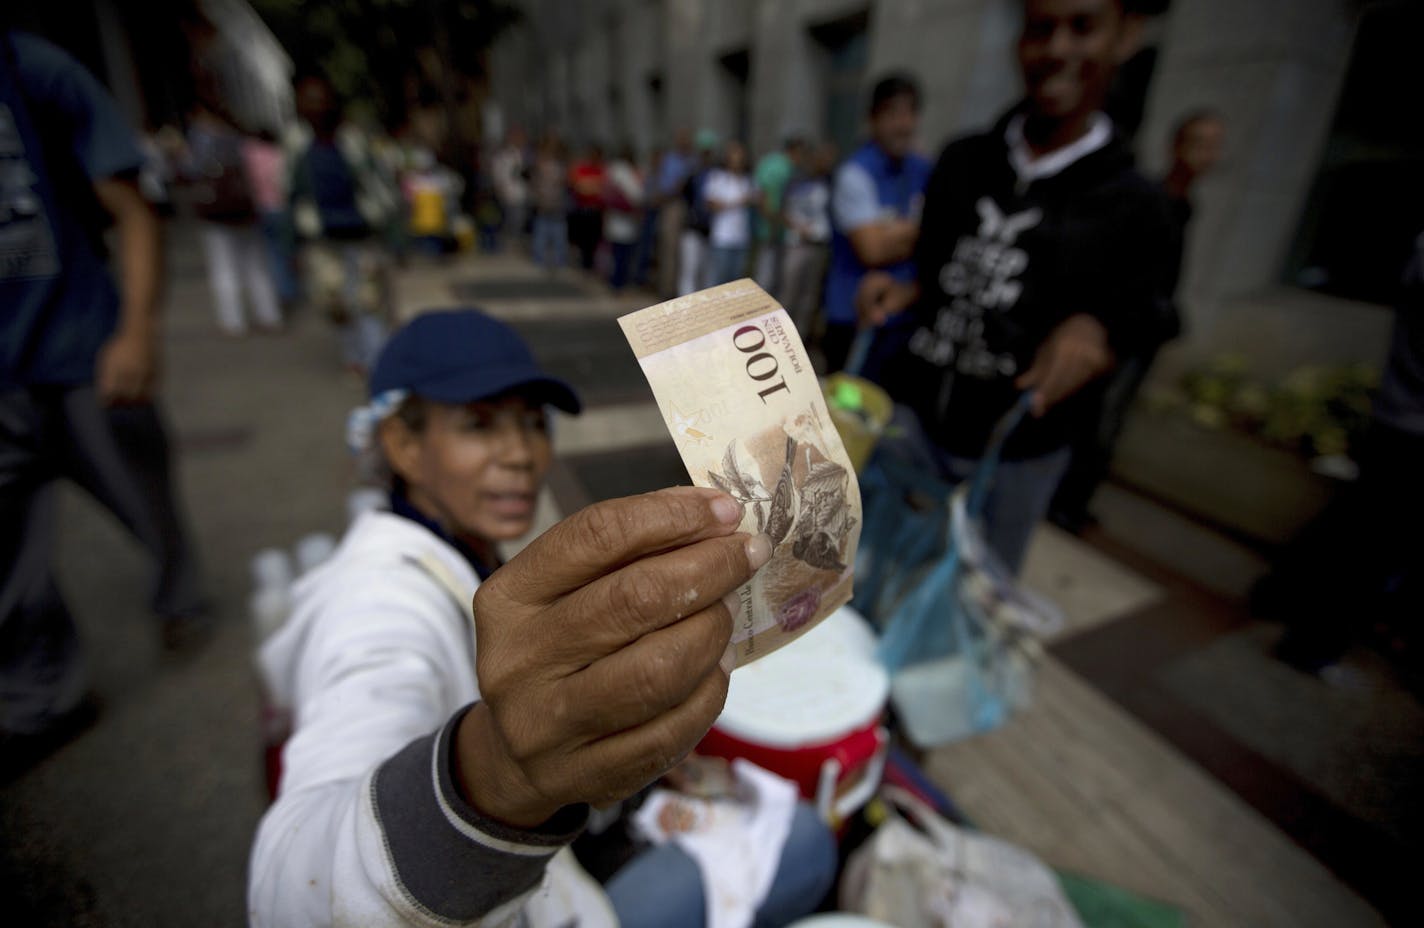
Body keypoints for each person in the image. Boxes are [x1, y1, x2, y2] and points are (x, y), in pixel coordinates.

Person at [249, 309, 836, 926]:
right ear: (402, 444)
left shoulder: (462, 544)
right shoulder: (377, 601)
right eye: (479, 424)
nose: (522, 454)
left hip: (555, 869)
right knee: (803, 839)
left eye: (533, 423)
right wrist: (495, 776)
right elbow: (292, 888)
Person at [857, 0, 1175, 573]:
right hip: (916, 419)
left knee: (969, 604)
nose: (1058, 50)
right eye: (1040, 29)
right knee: (867, 566)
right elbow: (933, 271)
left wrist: (1096, 329)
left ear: (1124, 35)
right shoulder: (961, 161)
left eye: (1082, 27)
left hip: (1018, 449)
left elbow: (1150, 312)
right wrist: (906, 292)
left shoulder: (1140, 205)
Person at [1, 30, 208, 762]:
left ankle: (181, 597)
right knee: (11, 557)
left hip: (81, 346)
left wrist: (136, 331)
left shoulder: (34, 71)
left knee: (142, 490)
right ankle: (40, 702)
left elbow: (131, 208)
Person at [1049, 108, 1225, 533]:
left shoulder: (1183, 205)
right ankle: (1065, 501)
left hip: (1138, 337)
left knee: (1108, 421)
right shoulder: (1151, 201)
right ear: (1176, 147)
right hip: (1120, 335)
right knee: (1096, 421)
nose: (1207, 155)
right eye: (1198, 143)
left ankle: (1074, 499)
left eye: (1214, 146)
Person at [1259, 232, 1424, 683]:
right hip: (1409, 427)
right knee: (1370, 546)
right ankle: (1310, 642)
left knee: (1355, 529)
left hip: (1399, 420)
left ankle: (1280, 597)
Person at [287, 73, 400, 374]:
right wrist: (291, 244)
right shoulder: (296, 146)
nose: (317, 106)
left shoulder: (354, 143)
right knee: (333, 301)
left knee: (369, 300)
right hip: (321, 238)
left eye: (321, 99)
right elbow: (287, 194)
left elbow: (380, 185)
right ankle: (354, 352)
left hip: (361, 233)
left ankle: (377, 361)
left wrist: (392, 231)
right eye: (309, 100)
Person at [823, 73, 932, 372]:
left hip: (903, 317)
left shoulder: (923, 169)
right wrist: (923, 231)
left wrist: (897, 232)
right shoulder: (855, 173)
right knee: (846, 406)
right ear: (873, 119)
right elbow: (872, 249)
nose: (903, 124)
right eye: (893, 113)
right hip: (853, 318)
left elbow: (946, 231)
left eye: (910, 112)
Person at [185, 107, 283, 336]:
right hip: (244, 209)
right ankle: (269, 314)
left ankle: (233, 321)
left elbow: (191, 170)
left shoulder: (203, 143)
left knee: (223, 266)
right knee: (256, 265)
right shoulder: (240, 142)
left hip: (217, 212)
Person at [780, 141, 837, 342]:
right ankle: (781, 336)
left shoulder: (831, 181)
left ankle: (800, 339)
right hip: (797, 243)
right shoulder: (796, 181)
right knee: (789, 291)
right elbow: (782, 209)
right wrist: (797, 227)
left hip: (819, 244)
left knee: (809, 297)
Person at [243, 129, 300, 306]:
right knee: (287, 250)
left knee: (272, 253)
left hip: (262, 208)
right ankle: (290, 289)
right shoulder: (279, 155)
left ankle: (283, 291)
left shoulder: (249, 154)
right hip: (282, 208)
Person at [752, 135, 807, 299]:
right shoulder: (782, 168)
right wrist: (782, 223)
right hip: (771, 230)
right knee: (765, 282)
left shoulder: (772, 163)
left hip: (773, 230)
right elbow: (766, 200)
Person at [705, 140, 756, 287]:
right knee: (718, 281)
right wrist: (739, 201)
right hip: (723, 237)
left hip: (741, 238)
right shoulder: (718, 178)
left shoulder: (748, 180)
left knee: (736, 282)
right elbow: (712, 205)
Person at [656, 128, 698, 297]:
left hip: (691, 208)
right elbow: (665, 187)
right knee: (670, 250)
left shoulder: (693, 161)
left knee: (688, 252)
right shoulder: (670, 160)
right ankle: (667, 290)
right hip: (673, 205)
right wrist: (679, 186)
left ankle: (683, 289)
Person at [678, 131, 721, 295]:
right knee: (690, 269)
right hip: (693, 227)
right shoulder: (692, 172)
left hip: (711, 229)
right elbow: (685, 197)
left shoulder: (717, 173)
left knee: (706, 272)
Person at [603, 143, 645, 291]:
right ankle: (617, 283)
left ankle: (618, 281)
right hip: (620, 217)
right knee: (620, 254)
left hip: (626, 220)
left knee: (622, 253)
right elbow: (635, 195)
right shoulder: (620, 170)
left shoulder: (628, 170)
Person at [530, 132, 569, 272]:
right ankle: (539, 259)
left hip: (557, 203)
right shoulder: (540, 163)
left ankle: (559, 260)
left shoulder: (561, 163)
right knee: (542, 232)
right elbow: (535, 183)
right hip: (544, 202)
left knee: (558, 233)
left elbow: (564, 182)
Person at [490, 126, 530, 251]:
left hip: (524, 193)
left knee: (520, 220)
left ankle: (514, 244)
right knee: (511, 221)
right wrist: (500, 190)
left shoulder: (526, 154)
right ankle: (507, 245)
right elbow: (498, 174)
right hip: (510, 193)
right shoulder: (504, 155)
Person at [568, 143, 606, 271]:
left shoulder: (603, 169)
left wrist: (590, 185)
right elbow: (579, 187)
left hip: (597, 210)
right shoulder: (581, 168)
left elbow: (603, 188)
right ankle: (585, 263)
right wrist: (594, 186)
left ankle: (591, 264)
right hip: (584, 209)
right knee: (583, 239)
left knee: (595, 240)